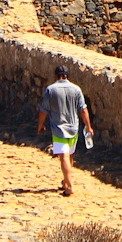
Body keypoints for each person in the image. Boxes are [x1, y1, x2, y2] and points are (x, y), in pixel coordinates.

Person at [37, 65, 93, 198]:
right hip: (74, 128)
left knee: (63, 157)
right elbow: (83, 110)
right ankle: (65, 181)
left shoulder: (51, 90)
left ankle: (70, 186)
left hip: (59, 129)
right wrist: (89, 126)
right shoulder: (76, 89)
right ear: (67, 76)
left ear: (56, 76)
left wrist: (40, 125)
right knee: (70, 155)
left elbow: (43, 110)